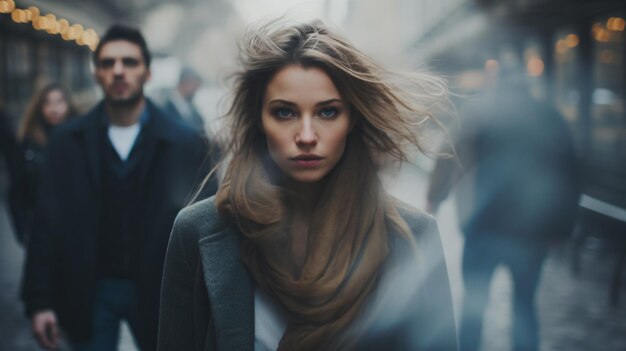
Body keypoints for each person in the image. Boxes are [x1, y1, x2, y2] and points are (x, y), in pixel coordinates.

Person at [158, 20, 457, 351]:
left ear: (352, 118)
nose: (306, 136)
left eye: (327, 112)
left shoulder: (413, 235)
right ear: (259, 119)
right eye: (284, 113)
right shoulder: (197, 233)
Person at [21, 25, 216, 351]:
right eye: (108, 63)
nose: (119, 71)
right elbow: (47, 221)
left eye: (129, 62)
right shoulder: (67, 141)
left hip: (160, 289)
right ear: (97, 73)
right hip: (89, 287)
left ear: (148, 72)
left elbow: (206, 225)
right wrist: (39, 300)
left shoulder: (185, 143)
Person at [426, 55, 580, 351]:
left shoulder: (479, 111)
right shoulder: (549, 116)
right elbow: (568, 173)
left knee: (474, 302)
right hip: (531, 231)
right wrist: (563, 227)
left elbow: (450, 155)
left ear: (496, 81)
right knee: (524, 305)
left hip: (482, 225)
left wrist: (435, 197)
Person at [9, 83, 77, 245]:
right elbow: (16, 192)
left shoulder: (81, 139)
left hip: (76, 231)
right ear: (39, 107)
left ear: (68, 104)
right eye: (47, 103)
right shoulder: (28, 144)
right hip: (41, 231)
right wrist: (24, 231)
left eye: (59, 102)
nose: (54, 109)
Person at [161, 67, 205, 133]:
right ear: (185, 83)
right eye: (194, 85)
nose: (195, 90)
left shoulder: (191, 106)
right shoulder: (166, 107)